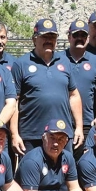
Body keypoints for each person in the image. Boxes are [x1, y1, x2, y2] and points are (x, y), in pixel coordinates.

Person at [11, 18, 82, 155]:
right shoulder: (21, 64)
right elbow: (14, 101)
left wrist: (78, 127)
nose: (49, 40)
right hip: (32, 135)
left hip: (62, 134)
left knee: (63, 174)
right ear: (34, 39)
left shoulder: (65, 62)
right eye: (44, 36)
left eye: (52, 37)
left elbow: (74, 95)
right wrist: (15, 134)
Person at [61, 20, 96, 146]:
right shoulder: (58, 59)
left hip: (87, 121)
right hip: (61, 119)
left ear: (88, 38)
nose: (80, 38)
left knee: (83, 161)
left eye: (83, 35)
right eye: (76, 35)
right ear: (69, 37)